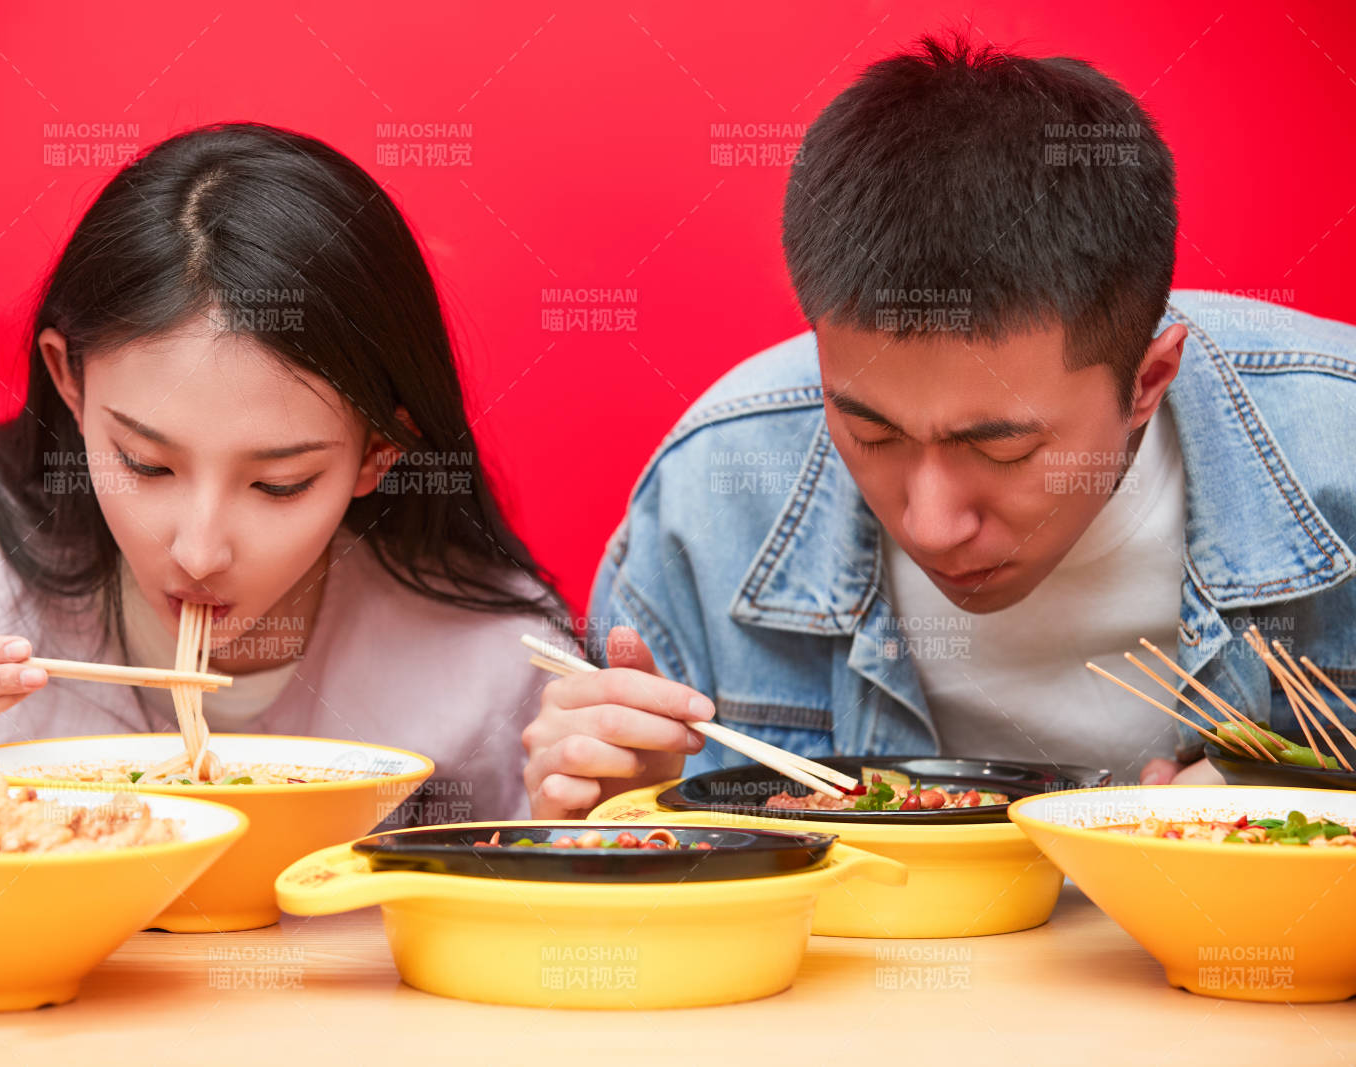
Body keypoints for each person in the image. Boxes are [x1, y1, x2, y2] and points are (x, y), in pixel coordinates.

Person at [522, 34, 1356, 817]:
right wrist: (610, 820)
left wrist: (1306, 814)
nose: (930, 523)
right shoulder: (711, 495)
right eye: (872, 435)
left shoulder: (1338, 442)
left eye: (1001, 447)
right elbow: (637, 877)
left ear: (1148, 380)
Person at [0, 122, 565, 822]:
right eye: (145, 462)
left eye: (279, 483)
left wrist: (607, 814)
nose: (200, 549)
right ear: (67, 380)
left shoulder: (489, 658)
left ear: (380, 452)